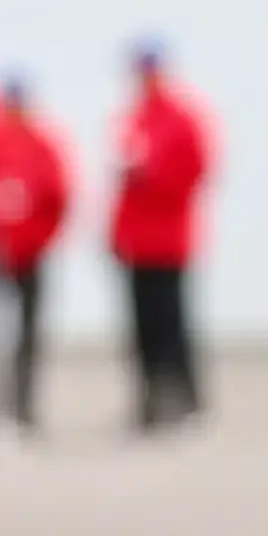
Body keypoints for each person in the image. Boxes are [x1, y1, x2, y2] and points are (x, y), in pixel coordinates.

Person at [108, 46, 214, 431]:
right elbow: (122, 185)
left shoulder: (181, 118)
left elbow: (198, 170)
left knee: (173, 326)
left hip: (169, 241)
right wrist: (115, 235)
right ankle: (150, 408)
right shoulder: (132, 119)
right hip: (137, 244)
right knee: (142, 331)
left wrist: (152, 176)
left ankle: (188, 406)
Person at [0, 79, 73, 431]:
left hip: (30, 254)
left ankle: (23, 407)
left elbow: (59, 197)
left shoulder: (43, 144)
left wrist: (43, 238)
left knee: (28, 336)